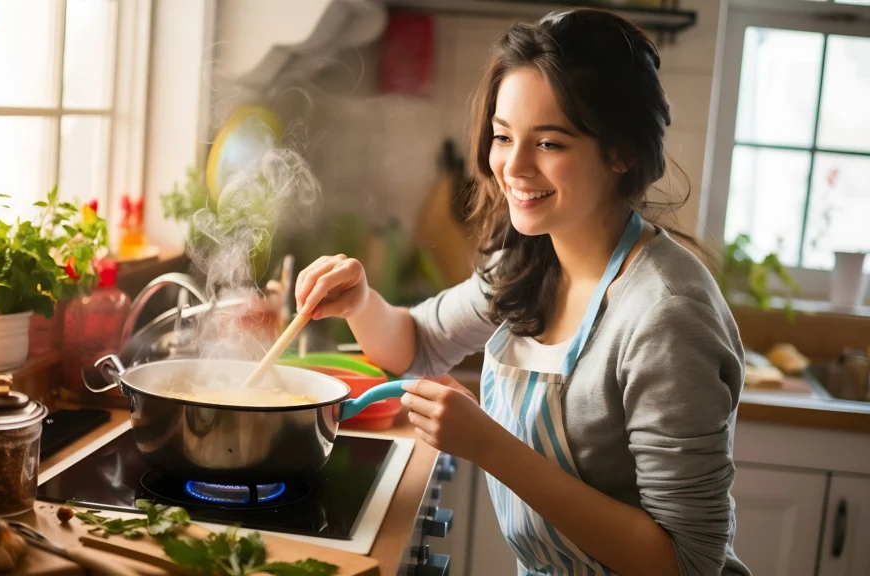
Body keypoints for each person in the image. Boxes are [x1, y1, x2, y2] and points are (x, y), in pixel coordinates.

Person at [294, 7, 751, 576]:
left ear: (621, 152)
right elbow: (417, 343)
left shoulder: (665, 314)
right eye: (503, 136)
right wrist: (361, 301)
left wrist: (490, 446)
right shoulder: (529, 259)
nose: (513, 166)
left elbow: (687, 562)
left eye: (550, 143)